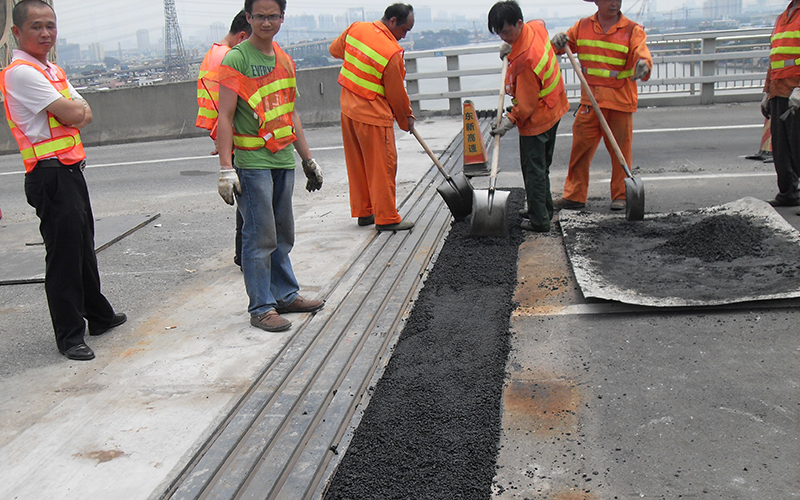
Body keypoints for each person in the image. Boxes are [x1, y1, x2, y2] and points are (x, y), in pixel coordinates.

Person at [0, 0, 126, 361]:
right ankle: (70, 336)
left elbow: (82, 112)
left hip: (68, 169)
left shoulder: (50, 69)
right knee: (64, 257)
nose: (45, 33)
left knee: (83, 246)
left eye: (50, 26)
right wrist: (73, 110)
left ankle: (98, 316)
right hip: (48, 173)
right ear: (17, 32)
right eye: (36, 26)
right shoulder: (21, 72)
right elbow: (74, 111)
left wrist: (75, 110)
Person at [215, 0, 325, 333]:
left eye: (272, 16)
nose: (266, 22)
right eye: (259, 16)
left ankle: (285, 294)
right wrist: (225, 169)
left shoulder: (285, 60)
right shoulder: (237, 59)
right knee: (260, 237)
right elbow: (225, 115)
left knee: (282, 233)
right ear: (248, 18)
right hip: (252, 163)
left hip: (282, 159)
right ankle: (261, 307)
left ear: (282, 18)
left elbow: (291, 115)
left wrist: (307, 159)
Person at [550, 0, 652, 212]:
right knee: (580, 150)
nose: (614, 3)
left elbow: (641, 53)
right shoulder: (582, 27)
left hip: (619, 101)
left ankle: (622, 195)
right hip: (591, 101)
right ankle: (574, 196)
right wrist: (557, 41)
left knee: (620, 152)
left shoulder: (633, 30)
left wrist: (644, 64)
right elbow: (558, 47)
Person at [329, 3, 416, 231]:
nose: (404, 36)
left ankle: (364, 212)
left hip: (348, 110)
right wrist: (406, 119)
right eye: (405, 30)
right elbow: (397, 95)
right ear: (393, 21)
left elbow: (335, 50)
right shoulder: (391, 53)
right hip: (373, 116)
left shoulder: (356, 29)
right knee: (382, 167)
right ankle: (386, 217)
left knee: (357, 164)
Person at [488, 1, 570, 232]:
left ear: (519, 23)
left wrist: (508, 122)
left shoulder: (525, 60)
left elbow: (525, 106)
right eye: (499, 33)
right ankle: (540, 209)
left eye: (506, 31)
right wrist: (510, 48)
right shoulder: (535, 28)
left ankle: (540, 221)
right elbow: (540, 25)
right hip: (555, 107)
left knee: (533, 170)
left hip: (539, 119)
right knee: (542, 167)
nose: (503, 37)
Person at [197, 10, 252, 267]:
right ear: (243, 35)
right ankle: (245, 255)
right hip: (232, 136)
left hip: (222, 134)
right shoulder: (228, 57)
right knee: (248, 201)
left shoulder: (214, 52)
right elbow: (228, 105)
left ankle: (243, 254)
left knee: (244, 200)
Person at [762, 0, 800, 211]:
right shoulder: (783, 17)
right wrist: (767, 91)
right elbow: (774, 58)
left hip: (796, 90)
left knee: (798, 145)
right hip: (779, 90)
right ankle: (788, 193)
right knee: (782, 148)